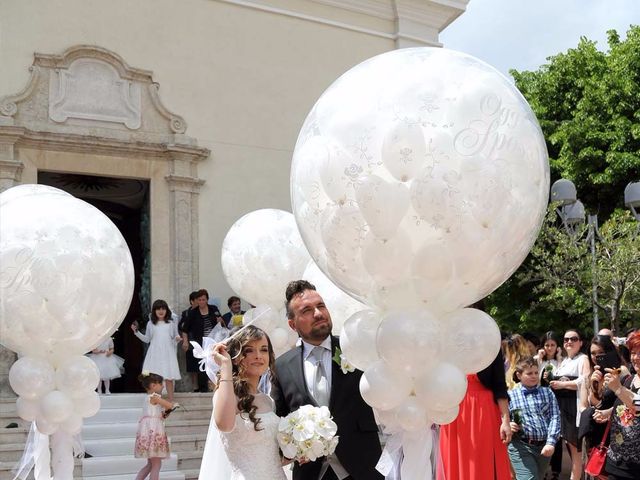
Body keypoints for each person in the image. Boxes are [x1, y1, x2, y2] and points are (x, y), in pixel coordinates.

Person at [271, 280, 383, 480]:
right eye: (306, 310)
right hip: (311, 473)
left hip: (362, 468)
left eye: (321, 306)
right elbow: (278, 421)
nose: (318, 313)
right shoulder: (281, 366)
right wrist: (291, 450)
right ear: (292, 324)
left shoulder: (354, 349)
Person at [209, 325, 286, 480]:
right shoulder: (227, 396)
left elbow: (267, 457)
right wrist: (225, 365)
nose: (258, 356)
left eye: (264, 349)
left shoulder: (268, 401)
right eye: (249, 350)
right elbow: (225, 425)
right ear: (235, 356)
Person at [438, 350, 512, 480]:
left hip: (484, 410)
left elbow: (500, 385)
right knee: (456, 459)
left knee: (483, 457)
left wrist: (506, 420)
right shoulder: (448, 341)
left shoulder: (490, 341)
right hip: (454, 409)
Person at [590, 331, 640, 480]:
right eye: (633, 353)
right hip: (616, 461)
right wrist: (608, 413)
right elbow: (623, 406)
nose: (636, 358)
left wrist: (618, 389)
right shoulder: (629, 379)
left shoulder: (622, 383)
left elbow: (637, 404)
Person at [507, 357, 561, 480]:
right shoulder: (510, 395)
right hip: (520, 445)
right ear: (519, 375)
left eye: (536, 373)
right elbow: (501, 417)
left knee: (538, 477)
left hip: (544, 447)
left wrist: (551, 442)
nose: (534, 376)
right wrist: (508, 423)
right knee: (529, 478)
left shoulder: (547, 392)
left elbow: (555, 417)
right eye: (529, 373)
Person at [549, 329, 590, 480]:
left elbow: (584, 381)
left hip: (574, 409)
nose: (569, 342)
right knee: (571, 450)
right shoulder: (565, 361)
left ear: (580, 342)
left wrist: (562, 384)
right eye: (566, 339)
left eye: (573, 339)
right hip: (562, 409)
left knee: (576, 453)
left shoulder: (583, 359)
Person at [132, 299, 182, 402]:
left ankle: (171, 401)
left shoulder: (171, 323)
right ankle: (155, 400)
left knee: (169, 378)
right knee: (153, 377)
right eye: (158, 309)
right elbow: (147, 339)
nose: (161, 311)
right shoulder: (151, 324)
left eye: (163, 308)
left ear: (166, 310)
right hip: (154, 353)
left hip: (167, 353)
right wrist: (136, 332)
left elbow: (175, 335)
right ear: (154, 311)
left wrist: (177, 338)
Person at [134, 372, 176, 480]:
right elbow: (169, 405)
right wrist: (173, 406)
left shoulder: (148, 398)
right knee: (156, 464)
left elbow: (161, 415)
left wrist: (167, 411)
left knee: (151, 464)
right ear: (153, 386)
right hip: (153, 430)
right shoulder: (154, 397)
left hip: (149, 429)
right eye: (161, 384)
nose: (163, 386)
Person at [181, 289, 223, 392]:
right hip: (200, 343)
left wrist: (220, 321)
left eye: (203, 299)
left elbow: (222, 325)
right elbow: (184, 329)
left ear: (207, 300)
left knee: (215, 364)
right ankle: (203, 389)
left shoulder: (214, 309)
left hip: (213, 341)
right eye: (199, 300)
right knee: (202, 365)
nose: (201, 302)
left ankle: (216, 387)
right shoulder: (193, 313)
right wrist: (185, 342)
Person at [179, 291, 200, 389]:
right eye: (197, 300)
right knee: (192, 367)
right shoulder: (186, 313)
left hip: (201, 341)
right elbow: (181, 326)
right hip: (191, 342)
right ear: (192, 301)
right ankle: (195, 387)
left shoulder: (203, 311)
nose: (199, 302)